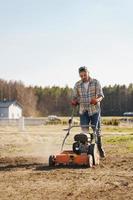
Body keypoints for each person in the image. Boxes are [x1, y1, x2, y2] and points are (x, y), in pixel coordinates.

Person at [71, 66, 105, 158]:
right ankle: (85, 151)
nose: (83, 77)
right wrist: (74, 101)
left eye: (84, 75)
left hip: (94, 110)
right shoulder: (77, 84)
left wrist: (97, 100)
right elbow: (75, 97)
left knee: (96, 131)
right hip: (83, 111)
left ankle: (100, 148)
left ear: (88, 73)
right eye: (81, 76)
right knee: (84, 132)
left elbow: (101, 95)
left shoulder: (95, 82)